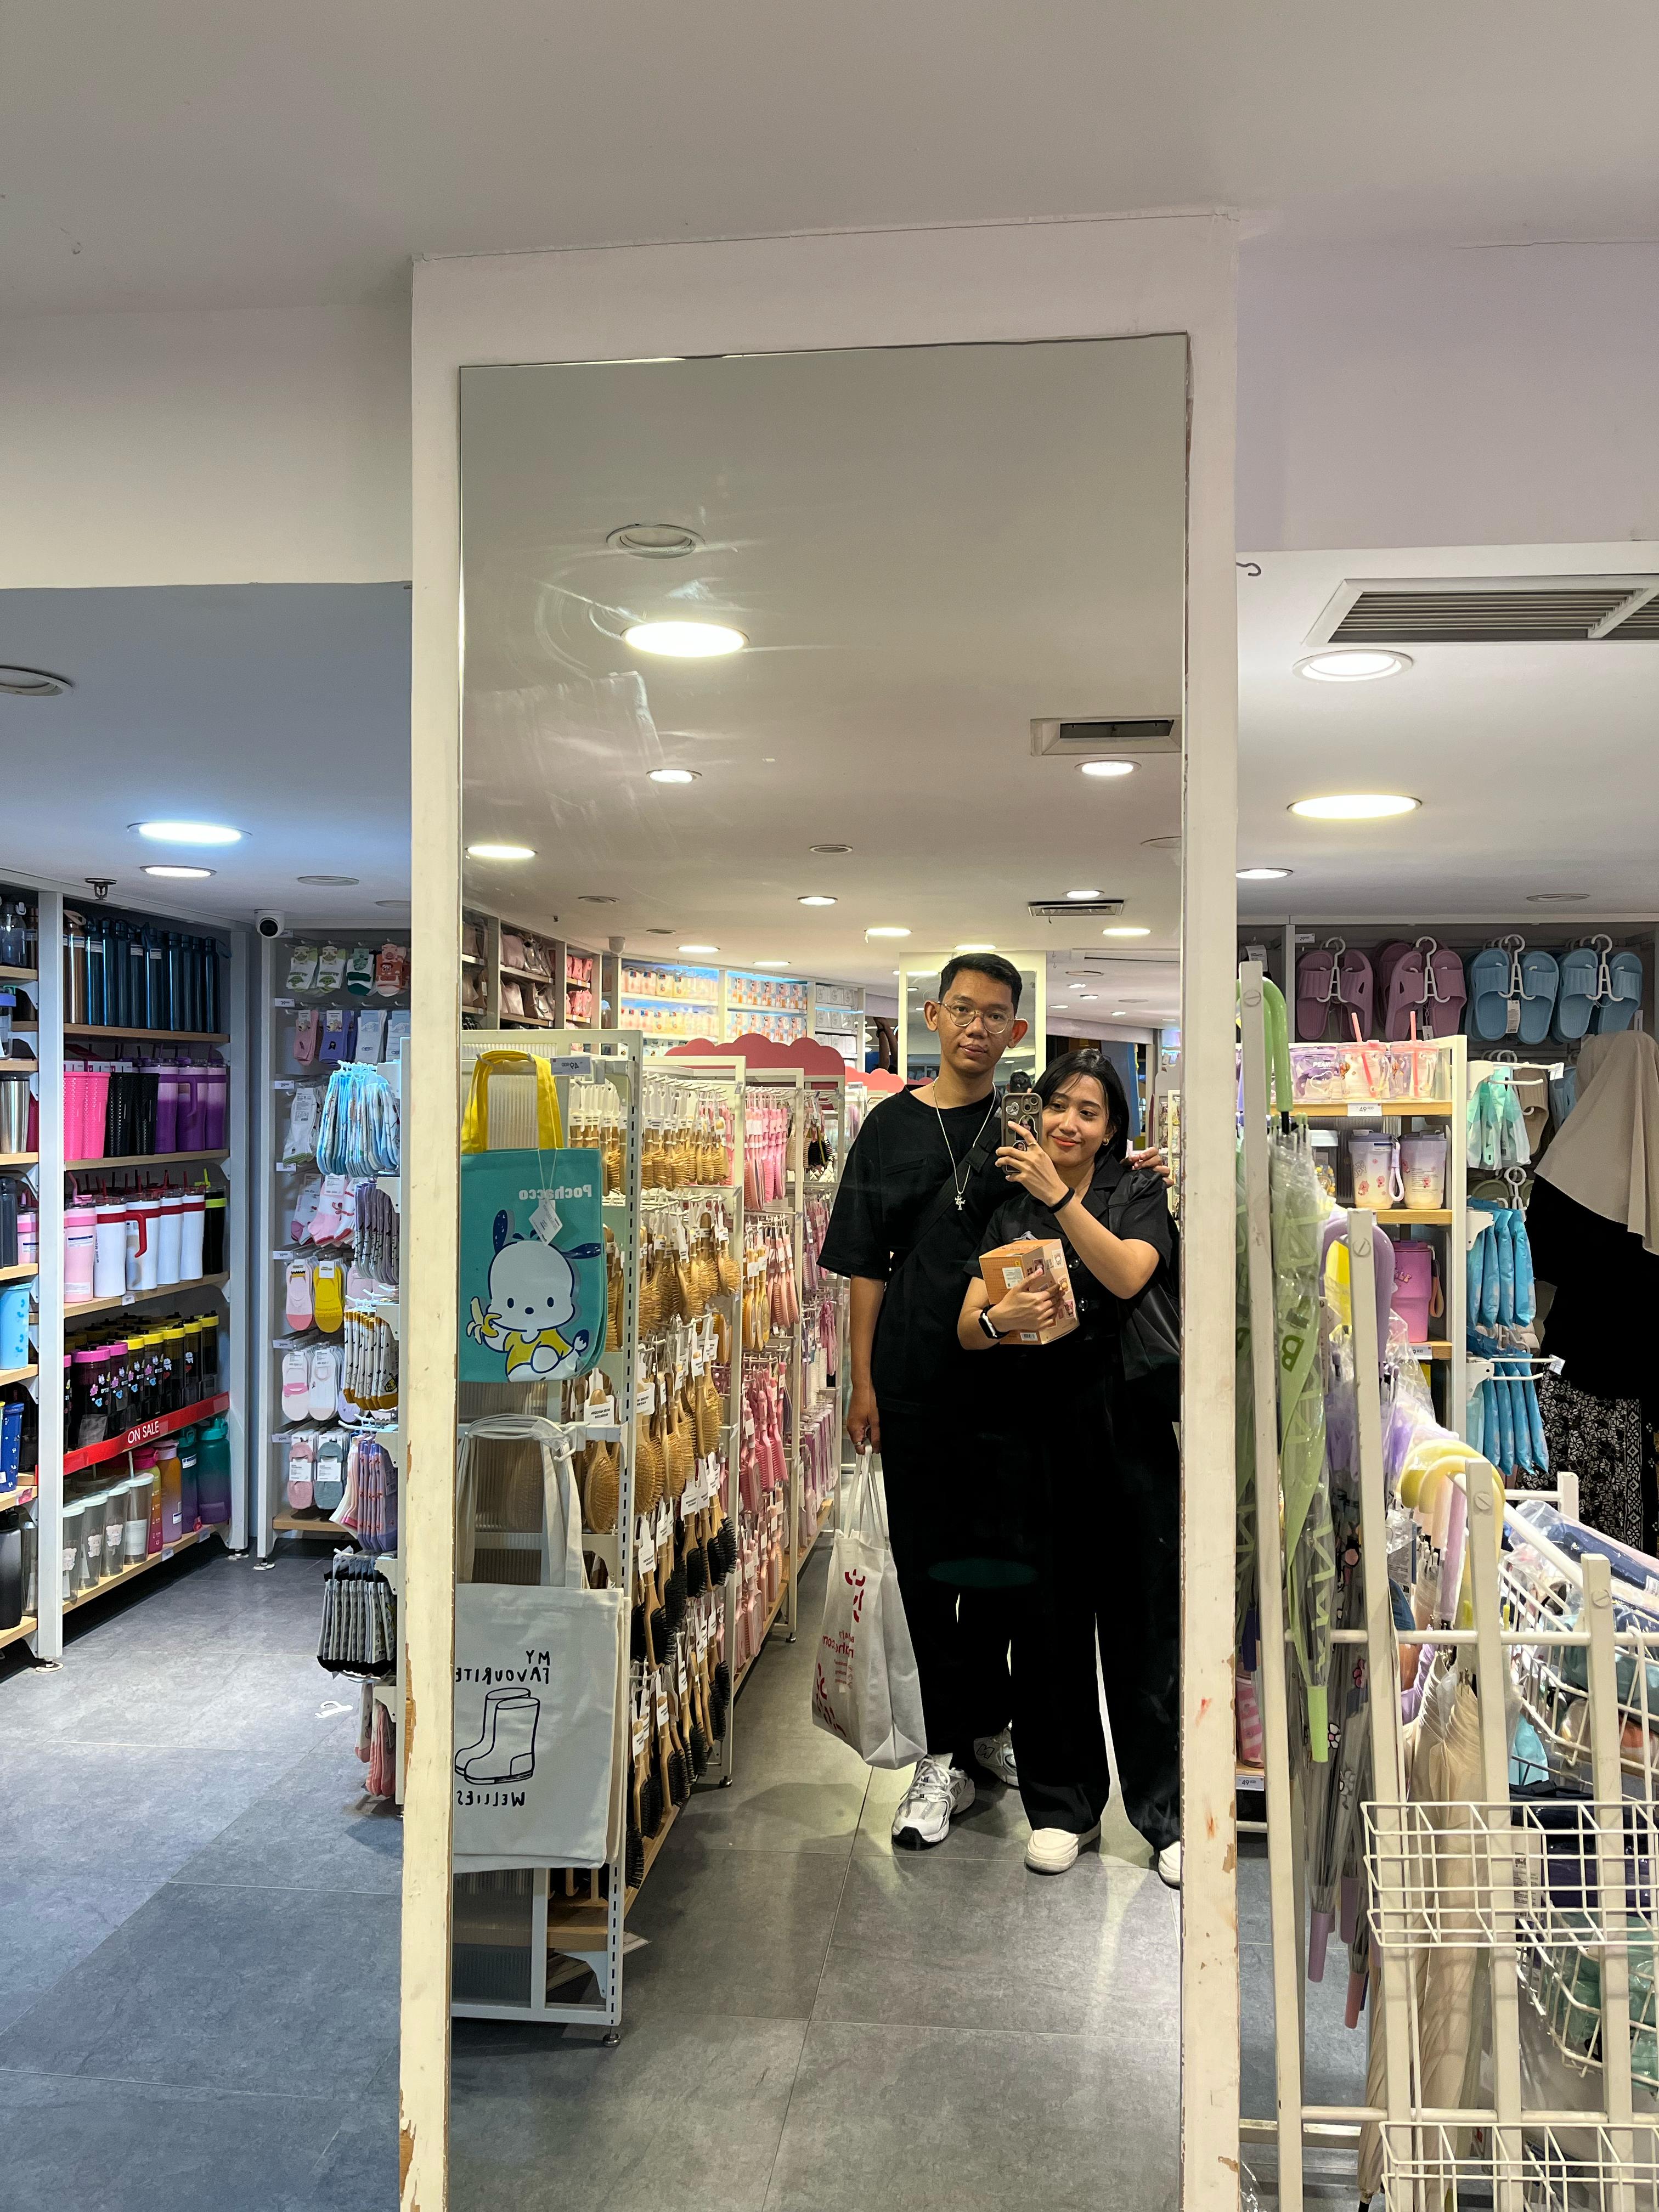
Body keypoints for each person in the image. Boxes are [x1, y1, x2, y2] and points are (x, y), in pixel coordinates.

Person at [820, 953, 1034, 1844]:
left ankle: (988, 1723)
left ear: (1017, 1031)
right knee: (924, 1561)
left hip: (1014, 1379)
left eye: (996, 1015)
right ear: (934, 1017)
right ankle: (940, 1750)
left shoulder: (1027, 1123)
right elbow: (865, 1267)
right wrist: (862, 1381)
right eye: (963, 1009)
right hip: (912, 1374)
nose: (978, 1027)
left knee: (1002, 1564)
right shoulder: (889, 1128)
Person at [956, 1049, 1182, 1883]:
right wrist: (1000, 1318)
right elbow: (968, 1326)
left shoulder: (1138, 1191)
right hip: (1036, 1438)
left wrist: (1060, 1198)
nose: (1069, 1123)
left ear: (1113, 1127)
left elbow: (1127, 1274)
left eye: (1089, 1112)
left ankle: (1163, 1813)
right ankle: (1063, 1807)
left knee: (1142, 1629)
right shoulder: (1009, 1207)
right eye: (1058, 1107)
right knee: (1046, 1630)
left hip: (1130, 1436)